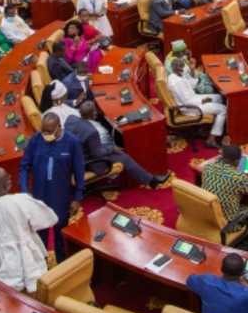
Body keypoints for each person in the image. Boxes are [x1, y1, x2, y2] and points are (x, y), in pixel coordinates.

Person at [19, 112, 84, 261]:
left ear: (59, 127)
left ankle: (62, 265)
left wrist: (77, 198)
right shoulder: (36, 139)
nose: (45, 135)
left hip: (61, 196)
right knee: (39, 235)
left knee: (60, 233)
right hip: (39, 196)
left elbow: (79, 172)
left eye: (49, 131)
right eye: (43, 131)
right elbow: (24, 166)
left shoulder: (72, 143)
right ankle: (41, 266)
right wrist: (24, 190)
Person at [66, 101, 171, 188]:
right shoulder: (91, 131)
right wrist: (111, 148)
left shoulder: (71, 119)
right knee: (123, 157)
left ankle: (149, 179)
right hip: (87, 163)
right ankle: (151, 181)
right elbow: (98, 154)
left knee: (117, 152)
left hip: (72, 159)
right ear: (94, 114)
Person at [169, 59, 228, 148]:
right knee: (223, 109)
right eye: (183, 66)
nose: (185, 68)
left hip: (195, 99)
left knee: (219, 97)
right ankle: (211, 139)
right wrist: (204, 100)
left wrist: (193, 70)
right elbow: (187, 101)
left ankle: (208, 127)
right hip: (191, 108)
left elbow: (193, 84)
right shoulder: (177, 82)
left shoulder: (176, 75)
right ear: (178, 69)